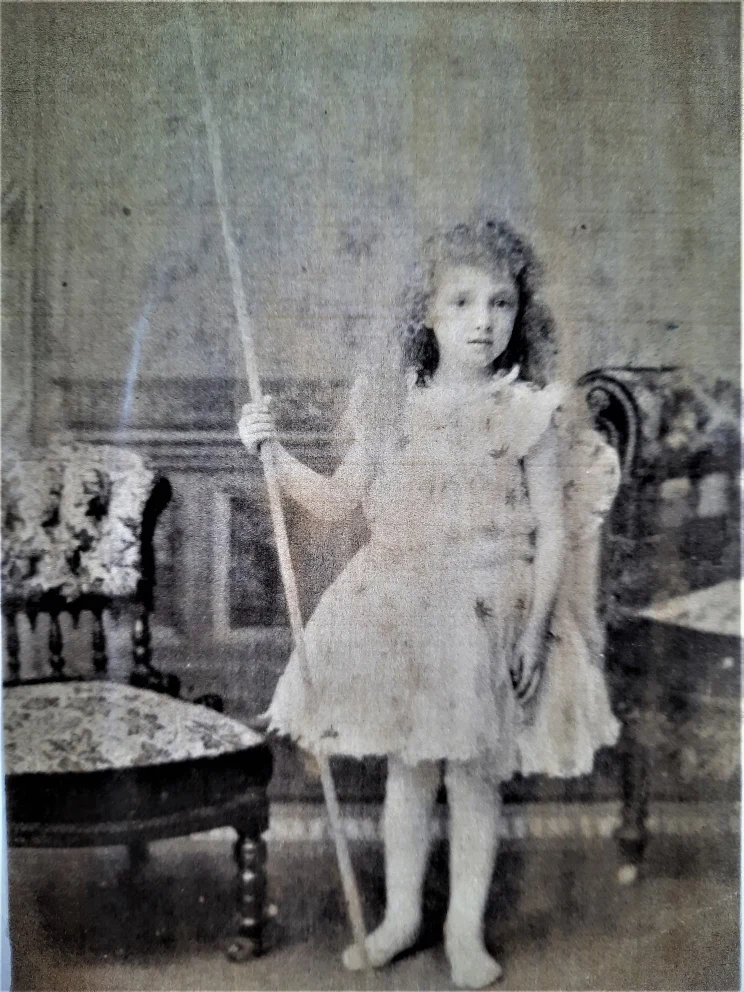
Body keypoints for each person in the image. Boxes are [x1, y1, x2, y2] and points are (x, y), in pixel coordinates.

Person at [238, 218, 620, 989]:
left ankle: (464, 930)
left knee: (476, 778)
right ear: (427, 313)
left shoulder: (529, 411)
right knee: (410, 774)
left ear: (521, 312)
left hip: (492, 616)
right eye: (463, 303)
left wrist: (537, 629)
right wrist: (270, 454)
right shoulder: (389, 403)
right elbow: (339, 499)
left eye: (501, 303)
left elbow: (552, 534)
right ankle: (403, 916)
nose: (484, 322)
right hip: (403, 612)